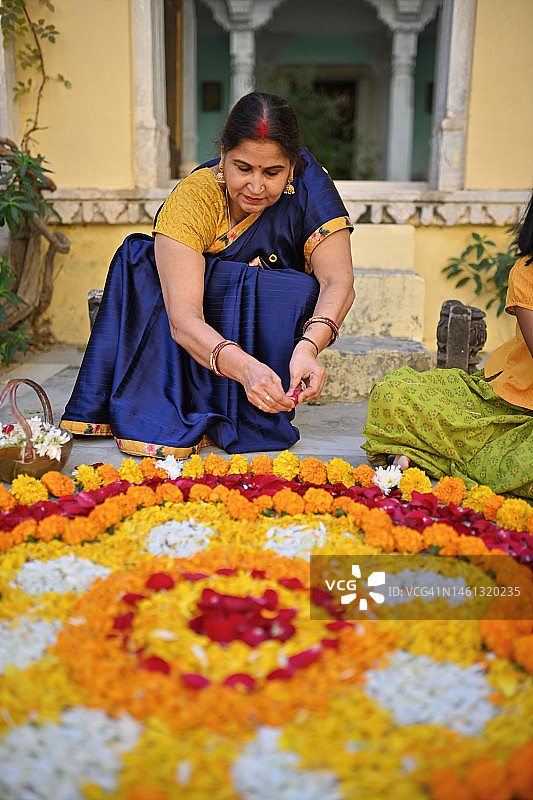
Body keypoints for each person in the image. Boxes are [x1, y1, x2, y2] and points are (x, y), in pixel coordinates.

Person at [61, 92, 355, 459]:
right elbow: (184, 320)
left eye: (273, 172)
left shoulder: (313, 187)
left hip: (263, 332)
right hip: (185, 324)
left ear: (293, 167)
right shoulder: (194, 199)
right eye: (243, 168)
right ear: (223, 156)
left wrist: (309, 346)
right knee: (207, 275)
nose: (256, 186)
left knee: (293, 288)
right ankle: (193, 398)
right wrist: (246, 370)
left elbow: (338, 281)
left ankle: (255, 395)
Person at [362, 190, 533, 498]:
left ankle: (428, 454)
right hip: (507, 397)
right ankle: (430, 451)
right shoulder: (528, 270)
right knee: (392, 394)